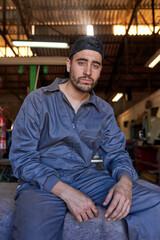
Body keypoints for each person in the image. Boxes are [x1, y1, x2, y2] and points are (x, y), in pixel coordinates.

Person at [9, 36, 160, 240]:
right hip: (41, 182)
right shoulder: (38, 101)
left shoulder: (103, 111)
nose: (88, 71)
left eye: (95, 65)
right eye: (81, 63)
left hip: (86, 178)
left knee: (155, 203)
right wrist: (67, 192)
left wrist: (125, 182)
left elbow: (116, 153)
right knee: (34, 234)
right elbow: (22, 157)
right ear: (69, 65)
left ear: (100, 70)